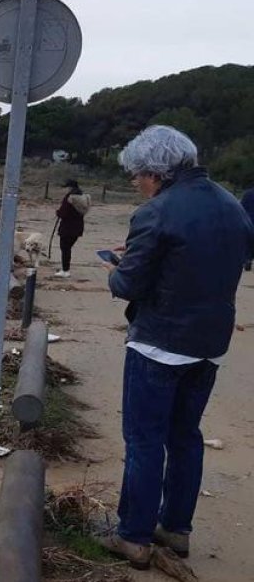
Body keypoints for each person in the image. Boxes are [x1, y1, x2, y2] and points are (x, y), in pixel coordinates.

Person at [100, 125, 254, 569]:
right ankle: (176, 528)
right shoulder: (230, 203)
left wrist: (117, 265)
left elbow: (129, 284)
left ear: (156, 172)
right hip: (209, 343)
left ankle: (133, 536)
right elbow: (209, 256)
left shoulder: (158, 211)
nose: (136, 183)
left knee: (144, 440)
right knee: (185, 437)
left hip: (160, 344)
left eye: (137, 176)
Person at [53, 179, 90, 277]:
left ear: (70, 187)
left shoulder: (69, 198)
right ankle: (65, 269)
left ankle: (65, 270)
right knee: (68, 248)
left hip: (67, 227)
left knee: (65, 248)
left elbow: (63, 212)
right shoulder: (83, 197)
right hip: (78, 227)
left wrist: (58, 212)